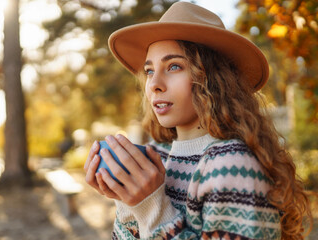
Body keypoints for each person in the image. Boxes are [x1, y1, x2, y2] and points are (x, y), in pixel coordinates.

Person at [84, 2, 312, 239]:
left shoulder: (231, 166)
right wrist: (127, 199)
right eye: (150, 70)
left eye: (174, 66)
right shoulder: (156, 157)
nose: (154, 84)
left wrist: (150, 206)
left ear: (214, 79)